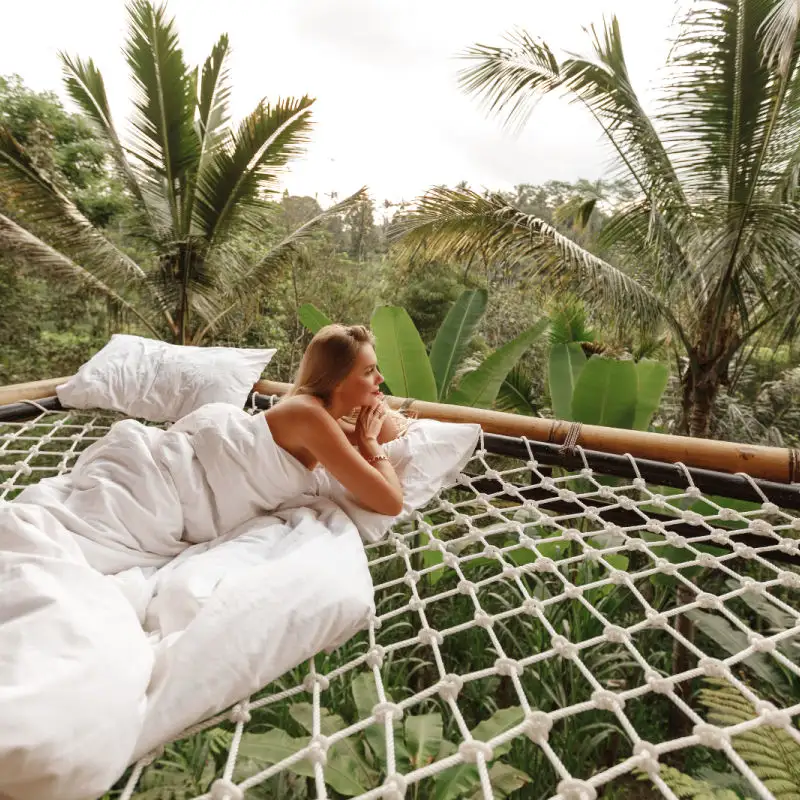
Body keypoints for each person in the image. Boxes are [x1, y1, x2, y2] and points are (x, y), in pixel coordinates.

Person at [263, 324, 406, 517]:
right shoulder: (308, 415)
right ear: (337, 381)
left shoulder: (324, 418)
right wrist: (368, 442)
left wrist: (370, 428)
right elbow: (391, 504)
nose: (380, 378)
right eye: (369, 371)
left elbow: (388, 437)